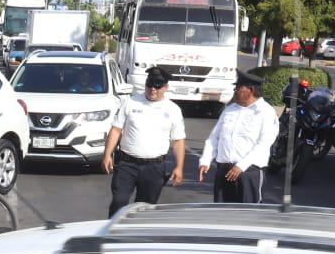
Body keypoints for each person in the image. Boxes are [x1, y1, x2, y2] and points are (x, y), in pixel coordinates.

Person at [101, 66, 186, 217]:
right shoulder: (131, 102)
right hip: (127, 164)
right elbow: (116, 130)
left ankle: (134, 238)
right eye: (150, 85)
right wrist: (107, 155)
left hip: (154, 167)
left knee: (144, 210)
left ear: (166, 87)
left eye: (158, 86)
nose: (153, 89)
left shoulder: (173, 110)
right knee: (119, 201)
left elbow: (178, 141)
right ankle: (111, 235)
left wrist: (179, 167)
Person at [198, 70, 278, 204]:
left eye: (238, 88)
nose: (235, 91)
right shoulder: (229, 110)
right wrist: (205, 160)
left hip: (248, 173)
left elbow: (264, 144)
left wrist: (241, 166)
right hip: (224, 170)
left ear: (250, 90)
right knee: (222, 216)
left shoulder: (266, 112)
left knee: (248, 217)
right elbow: (214, 138)